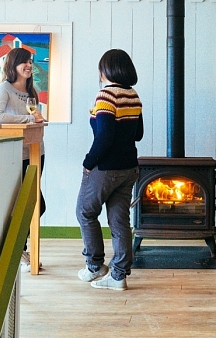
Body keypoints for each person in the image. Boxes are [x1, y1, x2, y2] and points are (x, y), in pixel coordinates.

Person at [76, 49, 143, 291]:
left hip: (105, 168)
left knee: (85, 212)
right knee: (119, 221)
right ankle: (118, 276)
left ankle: (95, 266)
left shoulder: (105, 96)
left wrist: (88, 162)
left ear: (105, 70)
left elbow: (104, 137)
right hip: (129, 168)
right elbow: (138, 134)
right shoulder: (133, 95)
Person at [0, 47, 47, 272]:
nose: (29, 66)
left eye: (30, 62)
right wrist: (29, 119)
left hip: (37, 151)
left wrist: (38, 119)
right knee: (31, 203)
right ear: (12, 66)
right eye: (24, 62)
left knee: (33, 203)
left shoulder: (31, 90)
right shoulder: (5, 88)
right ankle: (18, 251)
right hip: (16, 154)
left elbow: (37, 118)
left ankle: (20, 250)